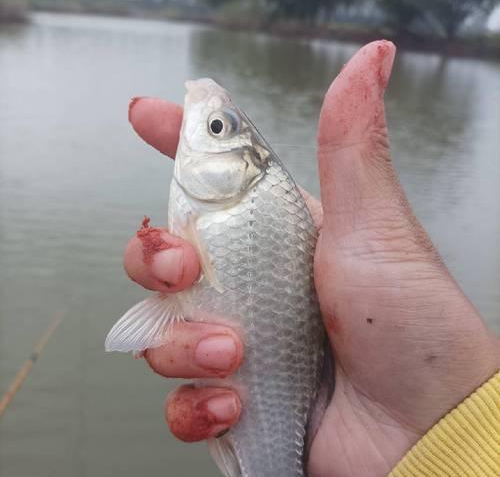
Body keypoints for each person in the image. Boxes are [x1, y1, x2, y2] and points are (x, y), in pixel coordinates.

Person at [123, 41, 499, 477]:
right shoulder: (242, 201)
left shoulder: (252, 202)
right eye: (218, 126)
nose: (207, 125)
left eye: (216, 128)